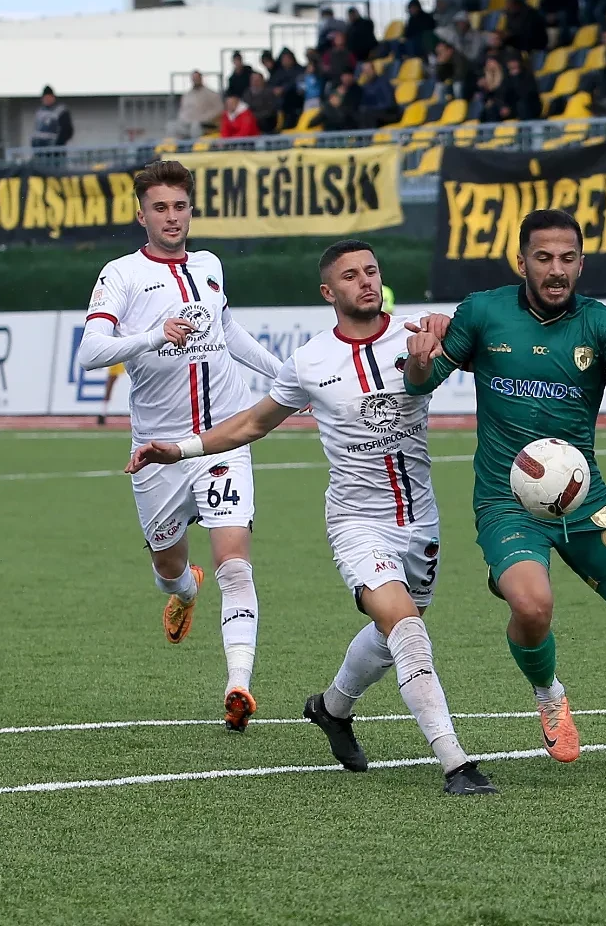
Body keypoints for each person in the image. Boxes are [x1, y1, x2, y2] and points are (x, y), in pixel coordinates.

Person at [125, 240, 496, 797]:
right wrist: (177, 449)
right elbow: (250, 424)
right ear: (329, 292)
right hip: (355, 521)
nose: (365, 281)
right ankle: (455, 763)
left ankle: (332, 708)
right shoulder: (310, 362)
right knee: (407, 630)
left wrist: (449, 329)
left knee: (394, 627)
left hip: (420, 520)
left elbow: (496, 350)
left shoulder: (419, 335)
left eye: (372, 270)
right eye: (350, 275)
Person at [403, 209, 606, 779]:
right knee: (531, 604)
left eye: (567, 258)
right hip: (507, 500)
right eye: (543, 258)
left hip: (585, 498)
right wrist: (421, 362)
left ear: (580, 263)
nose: (556, 270)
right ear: (520, 260)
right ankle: (549, 694)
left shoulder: (601, 323)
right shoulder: (484, 312)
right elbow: (422, 382)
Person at [77, 160, 282, 731]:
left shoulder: (211, 266)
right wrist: (152, 335)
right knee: (169, 567)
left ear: (192, 210)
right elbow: (91, 350)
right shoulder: (120, 273)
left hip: (222, 440)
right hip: (157, 451)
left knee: (235, 564)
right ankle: (183, 591)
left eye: (180, 206)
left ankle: (238, 684)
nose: (172, 217)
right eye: (160, 208)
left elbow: (230, 333)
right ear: (140, 214)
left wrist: (288, 381)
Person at [167, 71, 223, 139]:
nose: (195, 80)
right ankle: (177, 148)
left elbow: (219, 109)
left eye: (197, 78)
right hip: (187, 122)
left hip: (204, 123)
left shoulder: (211, 94)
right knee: (171, 126)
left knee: (195, 126)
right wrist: (183, 119)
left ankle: (196, 147)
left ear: (201, 78)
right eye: (193, 78)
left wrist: (204, 118)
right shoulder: (187, 95)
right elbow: (182, 110)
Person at [357, 62, 401, 127]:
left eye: (368, 70)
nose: (367, 73)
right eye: (365, 71)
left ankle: (369, 136)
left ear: (373, 70)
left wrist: (372, 108)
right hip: (374, 113)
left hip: (390, 113)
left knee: (368, 113)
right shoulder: (365, 86)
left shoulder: (383, 82)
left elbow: (389, 103)